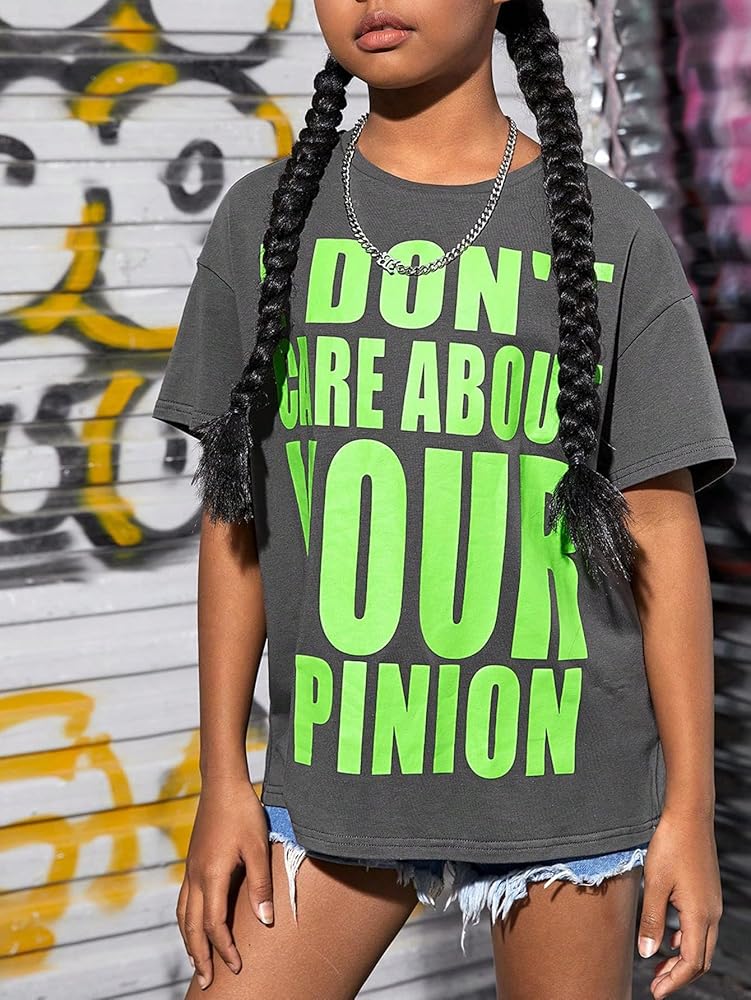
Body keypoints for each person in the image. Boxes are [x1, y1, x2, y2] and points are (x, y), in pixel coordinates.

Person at [151, 1, 736, 997]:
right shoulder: (264, 221)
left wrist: (688, 807)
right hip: (340, 770)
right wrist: (222, 781)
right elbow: (234, 519)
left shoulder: (612, 233)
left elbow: (661, 530)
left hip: (561, 782)